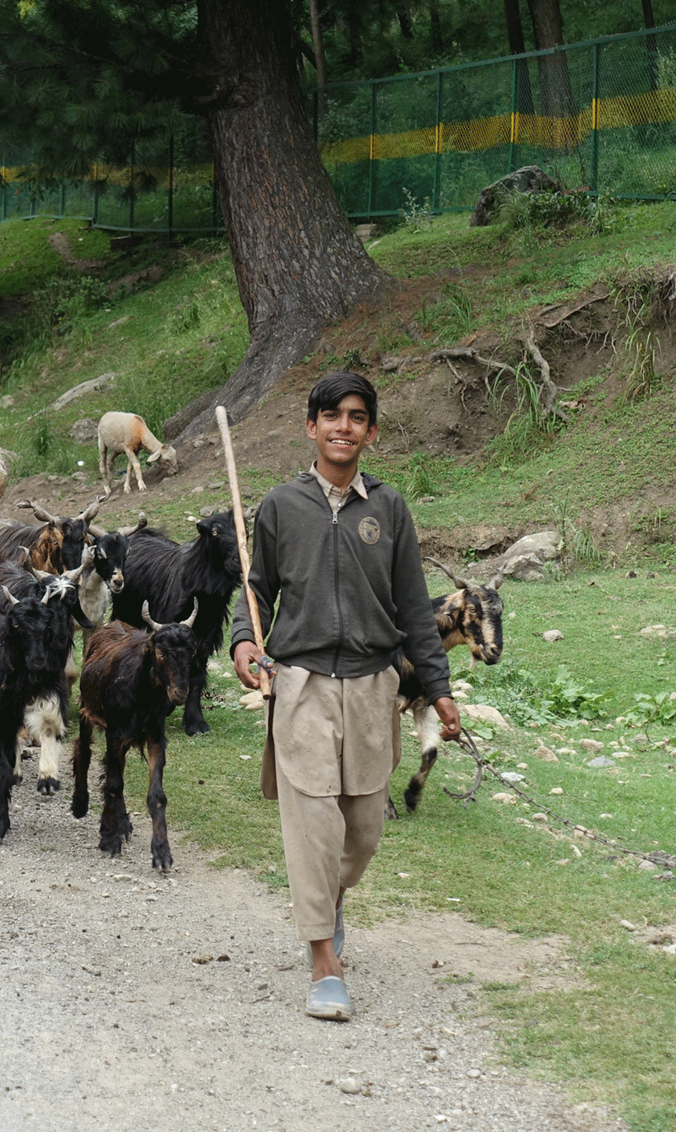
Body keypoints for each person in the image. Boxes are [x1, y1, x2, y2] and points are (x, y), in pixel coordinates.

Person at [229, 370, 460, 1022]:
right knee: (313, 826)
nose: (343, 426)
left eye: (356, 417)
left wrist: (439, 690)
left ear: (371, 432)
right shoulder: (281, 505)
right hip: (300, 683)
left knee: (361, 830)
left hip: (371, 686)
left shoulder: (389, 509)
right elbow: (255, 588)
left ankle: (329, 903)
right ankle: (323, 961)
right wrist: (244, 641)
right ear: (311, 427)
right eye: (331, 415)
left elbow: (414, 608)